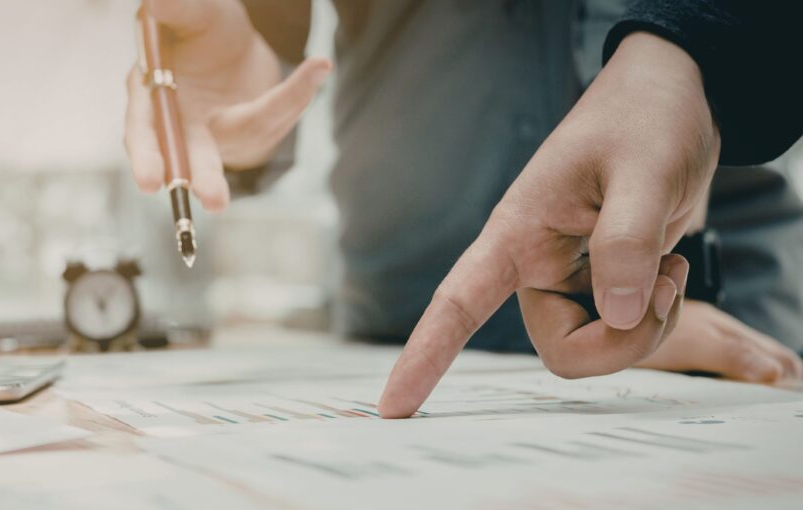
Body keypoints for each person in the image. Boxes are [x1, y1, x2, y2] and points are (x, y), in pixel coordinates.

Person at [123, 0, 803, 417]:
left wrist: (697, 43)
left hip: (709, 308)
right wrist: (254, 42)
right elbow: (263, 42)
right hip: (397, 338)